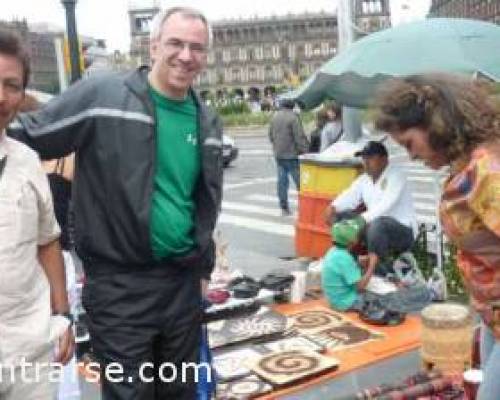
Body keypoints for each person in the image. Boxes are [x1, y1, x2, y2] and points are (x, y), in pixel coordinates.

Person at [10, 7, 223, 400]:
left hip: (180, 285)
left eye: (197, 47)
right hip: (119, 288)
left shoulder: (206, 120)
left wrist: (203, 269)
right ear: (153, 44)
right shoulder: (104, 95)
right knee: (130, 395)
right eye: (176, 43)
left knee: (180, 392)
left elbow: (205, 202)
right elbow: (29, 134)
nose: (186, 55)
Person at [374, 73, 500, 400]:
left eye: (409, 144)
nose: (412, 156)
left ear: (435, 124)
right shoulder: (468, 165)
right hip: (490, 312)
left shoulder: (486, 171)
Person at [0, 30, 74, 399]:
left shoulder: (27, 160)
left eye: (11, 85)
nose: (1, 96)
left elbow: (48, 241)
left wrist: (62, 315)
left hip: (28, 344)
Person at [323, 140, 417, 275]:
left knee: (378, 224)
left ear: (384, 159)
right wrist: (333, 207)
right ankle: (346, 262)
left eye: (370, 158)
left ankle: (378, 271)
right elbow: (349, 196)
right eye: (364, 159)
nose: (366, 163)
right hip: (373, 227)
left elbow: (385, 205)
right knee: (341, 216)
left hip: (402, 231)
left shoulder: (397, 175)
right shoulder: (364, 179)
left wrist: (361, 220)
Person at [322, 217, 375, 311]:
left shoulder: (333, 251)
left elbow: (344, 271)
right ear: (353, 241)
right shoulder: (345, 258)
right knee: (378, 299)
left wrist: (358, 264)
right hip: (345, 303)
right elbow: (360, 287)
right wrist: (372, 265)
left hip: (334, 299)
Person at [268, 99, 309, 216]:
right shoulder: (293, 118)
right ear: (292, 107)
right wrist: (305, 151)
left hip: (279, 154)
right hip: (292, 155)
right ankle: (305, 206)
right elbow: (299, 137)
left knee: (282, 182)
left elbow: (270, 135)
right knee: (300, 182)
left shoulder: (274, 117)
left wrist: (276, 146)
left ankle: (284, 207)